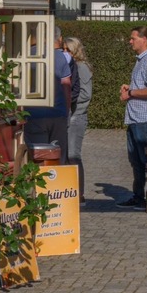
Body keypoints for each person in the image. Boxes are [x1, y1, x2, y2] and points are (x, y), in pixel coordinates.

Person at [118, 26, 147, 209]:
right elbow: (144, 85)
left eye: (133, 38)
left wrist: (130, 93)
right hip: (136, 117)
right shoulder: (141, 60)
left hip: (145, 117)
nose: (130, 41)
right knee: (136, 160)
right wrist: (129, 87)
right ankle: (139, 196)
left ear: (144, 39)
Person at [24, 26, 71, 164]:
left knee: (38, 156)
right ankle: (58, 183)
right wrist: (66, 111)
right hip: (57, 113)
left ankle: (37, 184)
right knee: (58, 156)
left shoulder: (26, 54)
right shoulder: (59, 55)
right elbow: (66, 86)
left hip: (33, 113)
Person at [64, 36, 92, 204]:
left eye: (69, 50)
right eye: (64, 50)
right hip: (71, 114)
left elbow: (85, 94)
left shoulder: (81, 67)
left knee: (74, 155)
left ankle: (79, 193)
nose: (65, 53)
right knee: (68, 155)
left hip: (77, 115)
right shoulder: (70, 66)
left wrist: (69, 101)